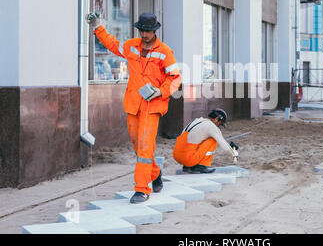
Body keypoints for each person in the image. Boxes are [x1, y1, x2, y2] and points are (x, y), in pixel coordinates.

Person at [87, 12, 182, 204]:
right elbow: (113, 44)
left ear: (155, 31)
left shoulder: (165, 52)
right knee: (137, 146)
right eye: (142, 31)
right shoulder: (131, 46)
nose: (144, 34)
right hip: (133, 104)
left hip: (152, 106)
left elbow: (176, 78)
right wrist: (98, 27)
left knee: (145, 146)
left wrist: (160, 92)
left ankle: (142, 189)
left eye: (148, 31)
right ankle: (155, 174)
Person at [173, 109, 239, 174]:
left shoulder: (198, 121)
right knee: (213, 140)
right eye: (220, 123)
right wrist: (234, 153)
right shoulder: (212, 127)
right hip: (188, 158)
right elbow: (223, 144)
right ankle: (202, 166)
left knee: (200, 140)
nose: (219, 126)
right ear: (216, 119)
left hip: (177, 155)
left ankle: (187, 167)